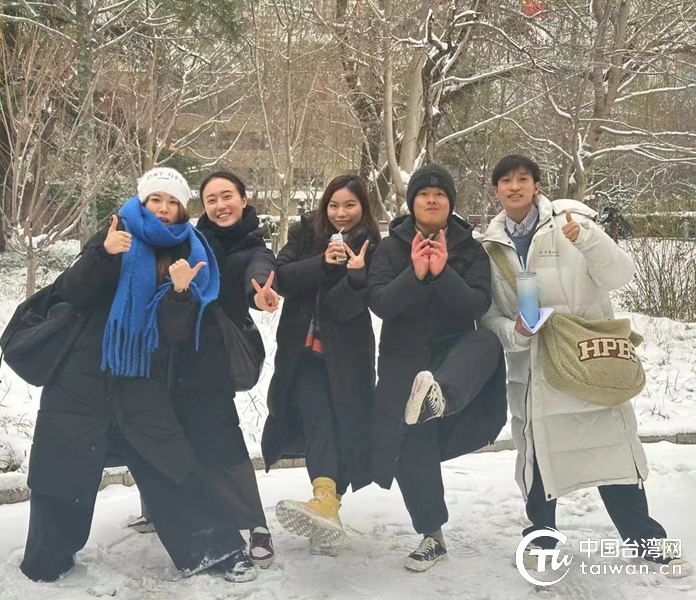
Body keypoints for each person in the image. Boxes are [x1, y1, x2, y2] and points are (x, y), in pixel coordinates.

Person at [20, 167, 257, 584]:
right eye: (156, 200)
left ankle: (216, 549)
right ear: (143, 201)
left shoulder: (189, 248)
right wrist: (103, 254)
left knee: (170, 462)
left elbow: (174, 333)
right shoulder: (116, 231)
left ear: (182, 208)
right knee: (62, 463)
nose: (163, 209)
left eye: (172, 202)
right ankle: (48, 557)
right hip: (82, 373)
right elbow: (71, 292)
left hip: (143, 375)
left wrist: (180, 292)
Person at [479, 154, 691, 577]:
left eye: (523, 179)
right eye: (506, 180)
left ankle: (647, 540)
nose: (515, 186)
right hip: (534, 369)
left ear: (537, 186)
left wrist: (590, 239)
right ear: (496, 189)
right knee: (538, 458)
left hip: (588, 360)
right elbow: (488, 316)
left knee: (612, 450)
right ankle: (542, 540)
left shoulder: (571, 223)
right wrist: (515, 332)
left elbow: (620, 276)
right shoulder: (489, 247)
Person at [367, 164, 507, 572]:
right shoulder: (390, 248)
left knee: (487, 341)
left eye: (441, 194)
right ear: (412, 202)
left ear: (451, 203)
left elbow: (475, 306)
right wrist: (415, 274)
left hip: (453, 359)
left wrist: (443, 272)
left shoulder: (470, 249)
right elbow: (381, 303)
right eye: (424, 194)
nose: (432, 200)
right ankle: (433, 537)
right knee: (412, 449)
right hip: (404, 365)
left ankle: (441, 395)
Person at [162, 171, 278, 568]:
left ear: (244, 199)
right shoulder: (189, 239)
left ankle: (255, 524)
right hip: (168, 355)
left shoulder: (252, 247)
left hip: (209, 362)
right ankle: (161, 510)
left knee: (223, 441)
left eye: (227, 196)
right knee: (168, 435)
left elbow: (258, 270)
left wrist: (260, 294)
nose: (220, 205)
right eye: (211, 199)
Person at [262, 174, 380, 555]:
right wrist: (322, 264)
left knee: (346, 424)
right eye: (334, 205)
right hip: (303, 353)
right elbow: (281, 278)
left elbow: (344, 308)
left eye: (350, 205)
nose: (341, 213)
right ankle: (324, 498)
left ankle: (328, 508)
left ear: (363, 207)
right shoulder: (304, 233)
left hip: (348, 355)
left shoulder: (371, 246)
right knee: (319, 421)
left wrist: (356, 277)